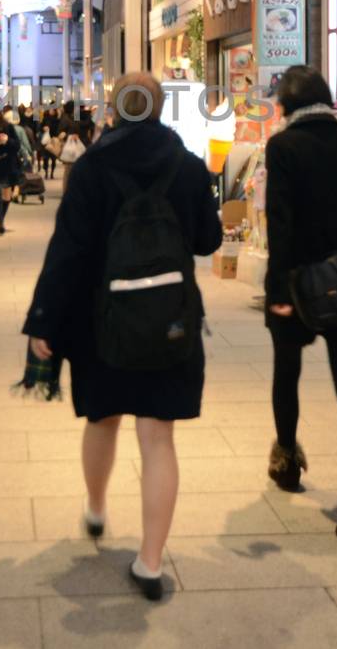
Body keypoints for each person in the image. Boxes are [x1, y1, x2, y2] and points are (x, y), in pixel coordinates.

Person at [22, 74, 222, 600]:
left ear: (114, 109)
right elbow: (208, 240)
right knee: (159, 440)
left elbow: (68, 250)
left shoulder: (91, 168)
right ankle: (151, 564)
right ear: (158, 109)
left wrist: (44, 319)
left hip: (99, 322)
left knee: (103, 419)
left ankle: (95, 508)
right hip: (170, 323)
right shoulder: (187, 166)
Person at [262, 65, 337, 554]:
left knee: (286, 373)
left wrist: (277, 289)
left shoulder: (284, 147)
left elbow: (280, 224)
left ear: (289, 105)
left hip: (298, 281)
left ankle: (288, 461)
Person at [0, 118, 20, 236]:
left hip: (7, 166)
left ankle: (1, 219)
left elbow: (17, 145)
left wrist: (6, 141)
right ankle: (1, 222)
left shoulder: (8, 127)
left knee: (6, 197)